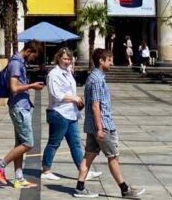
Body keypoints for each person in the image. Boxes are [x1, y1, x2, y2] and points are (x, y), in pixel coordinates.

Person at [74, 48, 145, 198]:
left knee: (88, 156)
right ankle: (125, 189)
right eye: (109, 60)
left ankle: (80, 187)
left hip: (92, 125)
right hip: (102, 125)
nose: (111, 63)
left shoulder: (94, 77)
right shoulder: (97, 79)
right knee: (113, 156)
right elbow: (95, 105)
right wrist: (100, 128)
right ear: (101, 61)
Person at [41, 48, 101, 182]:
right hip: (58, 112)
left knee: (76, 143)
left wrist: (76, 98)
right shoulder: (54, 74)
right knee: (54, 143)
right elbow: (56, 95)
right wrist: (74, 98)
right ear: (58, 58)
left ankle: (83, 170)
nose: (67, 61)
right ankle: (46, 170)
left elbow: (70, 89)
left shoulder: (68, 72)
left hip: (71, 113)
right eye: (65, 59)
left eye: (69, 59)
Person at [0, 40, 45, 190]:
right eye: (34, 56)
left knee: (20, 144)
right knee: (28, 143)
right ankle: (0, 166)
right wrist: (32, 86)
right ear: (28, 51)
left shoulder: (19, 62)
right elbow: (14, 88)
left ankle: (19, 178)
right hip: (19, 108)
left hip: (21, 106)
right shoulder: (16, 63)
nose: (33, 60)